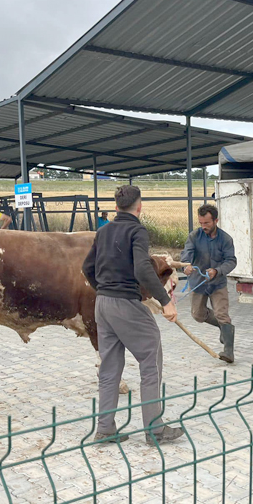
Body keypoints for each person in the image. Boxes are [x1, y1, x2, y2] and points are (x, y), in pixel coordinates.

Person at [82, 185, 183, 445]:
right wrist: (165, 301)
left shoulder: (103, 231)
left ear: (116, 207)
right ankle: (155, 429)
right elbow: (141, 268)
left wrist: (103, 290)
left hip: (102, 305)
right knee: (151, 361)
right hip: (125, 303)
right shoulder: (137, 230)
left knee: (109, 367)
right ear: (139, 207)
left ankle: (105, 429)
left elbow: (87, 267)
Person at [181, 204, 238, 362]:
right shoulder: (194, 236)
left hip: (218, 283)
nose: (203, 226)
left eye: (207, 223)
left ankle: (228, 352)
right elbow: (186, 254)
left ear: (216, 220)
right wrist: (186, 266)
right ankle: (224, 328)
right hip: (198, 282)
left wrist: (217, 270)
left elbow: (231, 261)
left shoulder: (226, 239)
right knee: (197, 315)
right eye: (201, 223)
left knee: (222, 314)